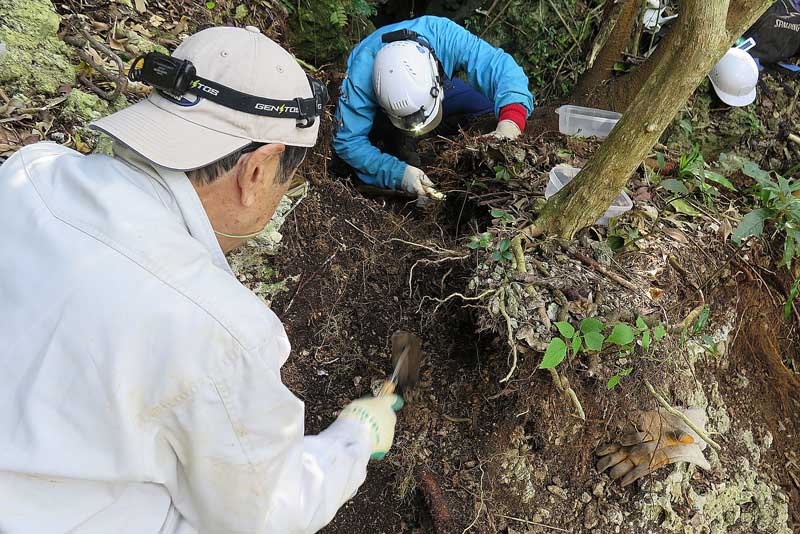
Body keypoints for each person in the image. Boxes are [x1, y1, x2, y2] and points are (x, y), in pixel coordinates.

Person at [0, 26, 402, 534]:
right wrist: (354, 438)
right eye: (287, 179)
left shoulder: (31, 172)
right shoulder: (221, 332)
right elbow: (266, 512)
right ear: (258, 170)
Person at [333, 16, 534, 204]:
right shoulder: (359, 78)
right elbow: (349, 141)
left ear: (435, 68)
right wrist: (398, 174)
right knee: (386, 147)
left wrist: (510, 124)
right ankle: (398, 141)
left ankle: (429, 138)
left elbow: (500, 67)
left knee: (484, 107)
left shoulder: (441, 33)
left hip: (439, 92)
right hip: (385, 118)